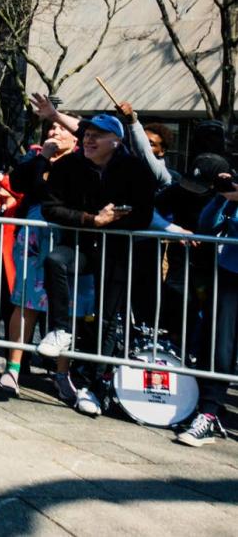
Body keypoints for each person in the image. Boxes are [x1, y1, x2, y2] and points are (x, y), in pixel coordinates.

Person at [37, 113, 157, 417]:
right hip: (81, 246)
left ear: (115, 140)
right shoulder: (68, 166)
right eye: (86, 133)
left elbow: (144, 215)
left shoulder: (134, 169)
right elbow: (50, 208)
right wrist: (90, 220)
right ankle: (62, 330)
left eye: (97, 135)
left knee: (105, 320)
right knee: (55, 261)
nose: (88, 139)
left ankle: (94, 385)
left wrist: (115, 216)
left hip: (117, 252)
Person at [0, 117, 79, 397]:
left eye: (61, 128)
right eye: (51, 128)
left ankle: (61, 374)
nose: (54, 131)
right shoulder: (35, 158)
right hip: (33, 236)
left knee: (65, 307)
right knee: (25, 301)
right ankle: (13, 369)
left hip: (68, 238)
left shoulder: (83, 163)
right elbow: (20, 183)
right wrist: (42, 157)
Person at [178, 163, 238, 446]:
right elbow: (206, 226)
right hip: (230, 275)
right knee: (219, 348)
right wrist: (220, 196)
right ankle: (209, 414)